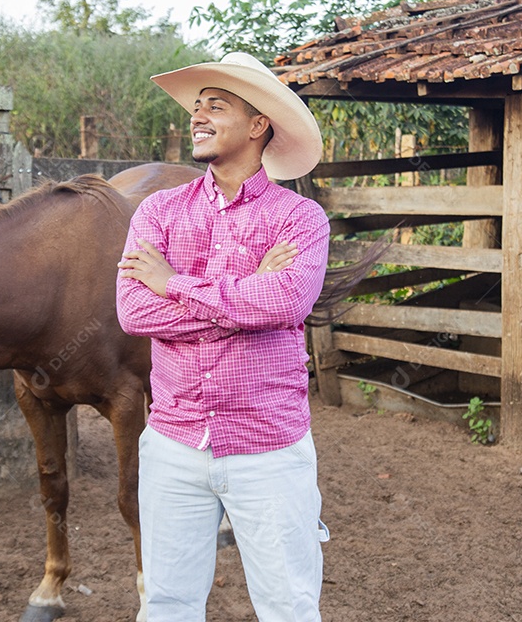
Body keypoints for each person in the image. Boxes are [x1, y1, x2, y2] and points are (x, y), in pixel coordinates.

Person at [116, 52, 331, 621]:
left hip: (268, 446)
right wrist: (246, 293)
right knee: (166, 604)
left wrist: (174, 284)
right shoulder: (157, 212)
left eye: (216, 106)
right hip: (173, 442)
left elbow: (286, 302)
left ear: (259, 124)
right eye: (197, 107)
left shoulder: (299, 219)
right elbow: (134, 312)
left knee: (289, 608)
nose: (198, 116)